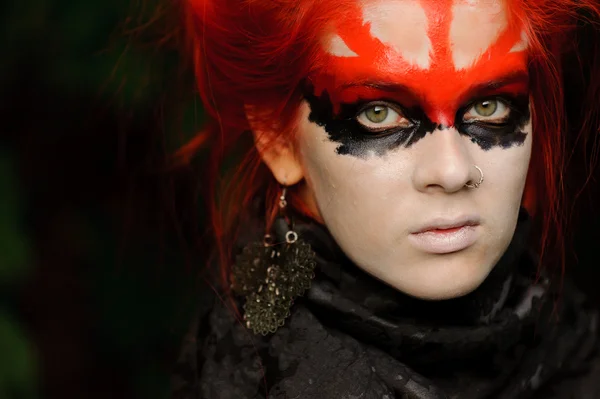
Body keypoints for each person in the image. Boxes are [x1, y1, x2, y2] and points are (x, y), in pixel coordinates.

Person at [170, 0, 600, 397]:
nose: (452, 172)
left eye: (490, 106)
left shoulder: (570, 338)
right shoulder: (263, 376)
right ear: (276, 137)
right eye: (379, 113)